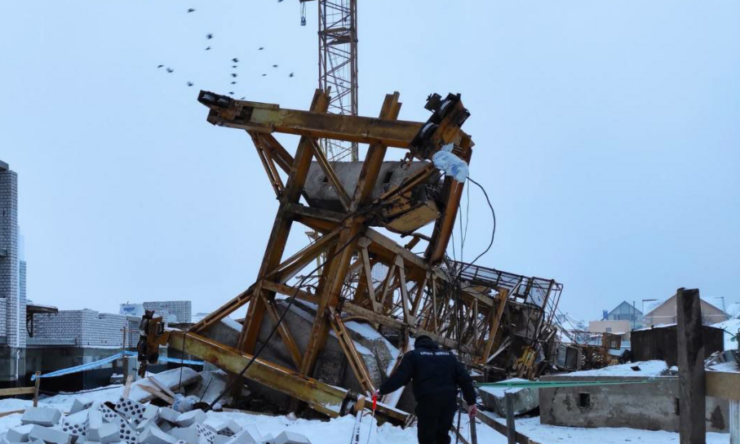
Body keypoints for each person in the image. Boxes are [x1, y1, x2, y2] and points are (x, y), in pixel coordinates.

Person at [376, 335, 477, 444]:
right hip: (448, 404)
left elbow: (400, 377)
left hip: (428, 403)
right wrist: (472, 402)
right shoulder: (449, 356)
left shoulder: (413, 355)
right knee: (442, 436)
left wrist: (381, 390)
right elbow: (465, 380)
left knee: (426, 438)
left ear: (417, 345)